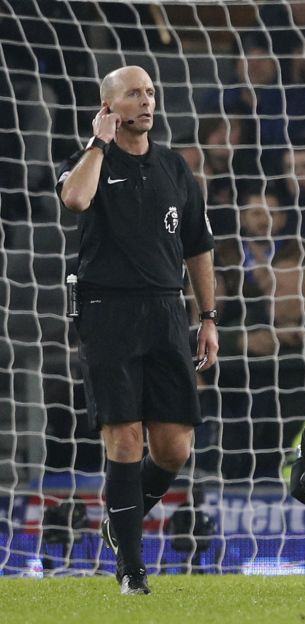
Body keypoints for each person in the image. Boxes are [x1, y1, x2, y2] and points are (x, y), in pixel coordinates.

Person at [55, 66, 217, 595]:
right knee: (124, 439)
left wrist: (208, 318)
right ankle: (131, 568)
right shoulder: (91, 163)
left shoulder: (173, 166)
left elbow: (197, 245)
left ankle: (117, 521)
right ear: (110, 107)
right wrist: (97, 145)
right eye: (133, 94)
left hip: (167, 313)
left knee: (173, 449)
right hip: (108, 313)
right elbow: (75, 200)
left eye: (150, 92)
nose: (146, 102)